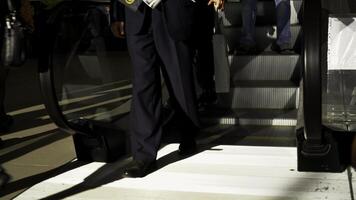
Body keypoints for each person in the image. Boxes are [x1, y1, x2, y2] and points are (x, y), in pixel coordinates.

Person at [111, 0, 200, 178]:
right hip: (135, 11)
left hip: (170, 10)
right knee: (142, 82)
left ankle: (187, 131)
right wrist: (117, 13)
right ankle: (143, 155)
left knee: (179, 77)